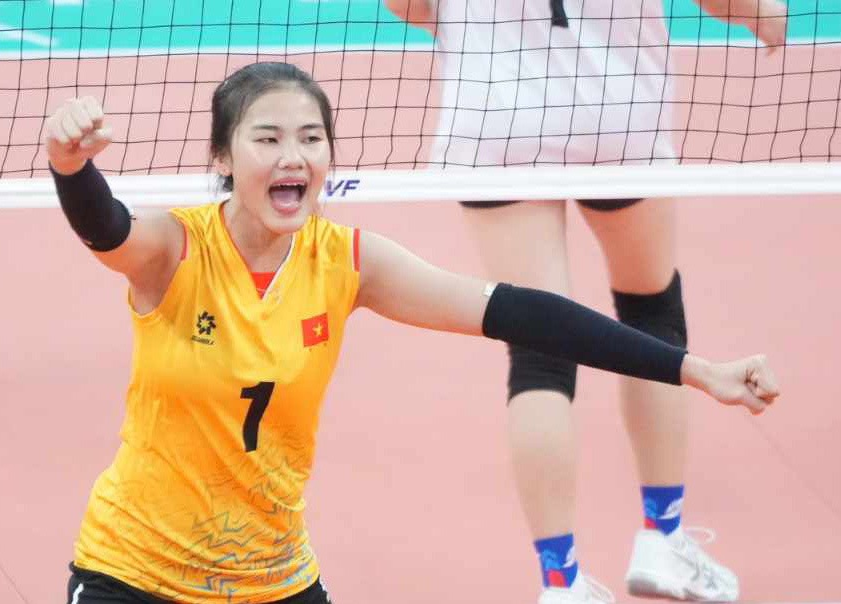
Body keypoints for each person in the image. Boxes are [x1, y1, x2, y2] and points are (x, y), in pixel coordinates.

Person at [44, 61, 778, 604]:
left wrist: (694, 369)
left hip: (272, 581)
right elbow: (105, 227)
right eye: (267, 138)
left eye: (311, 138)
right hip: (133, 575)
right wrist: (70, 166)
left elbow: (523, 311)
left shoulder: (347, 262)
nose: (293, 155)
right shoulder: (175, 248)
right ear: (224, 159)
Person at [385, 0, 788, 602]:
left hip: (498, 113)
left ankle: (561, 580)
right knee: (652, 313)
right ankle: (663, 538)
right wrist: (762, 13)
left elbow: (408, 5)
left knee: (539, 350)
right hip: (615, 111)